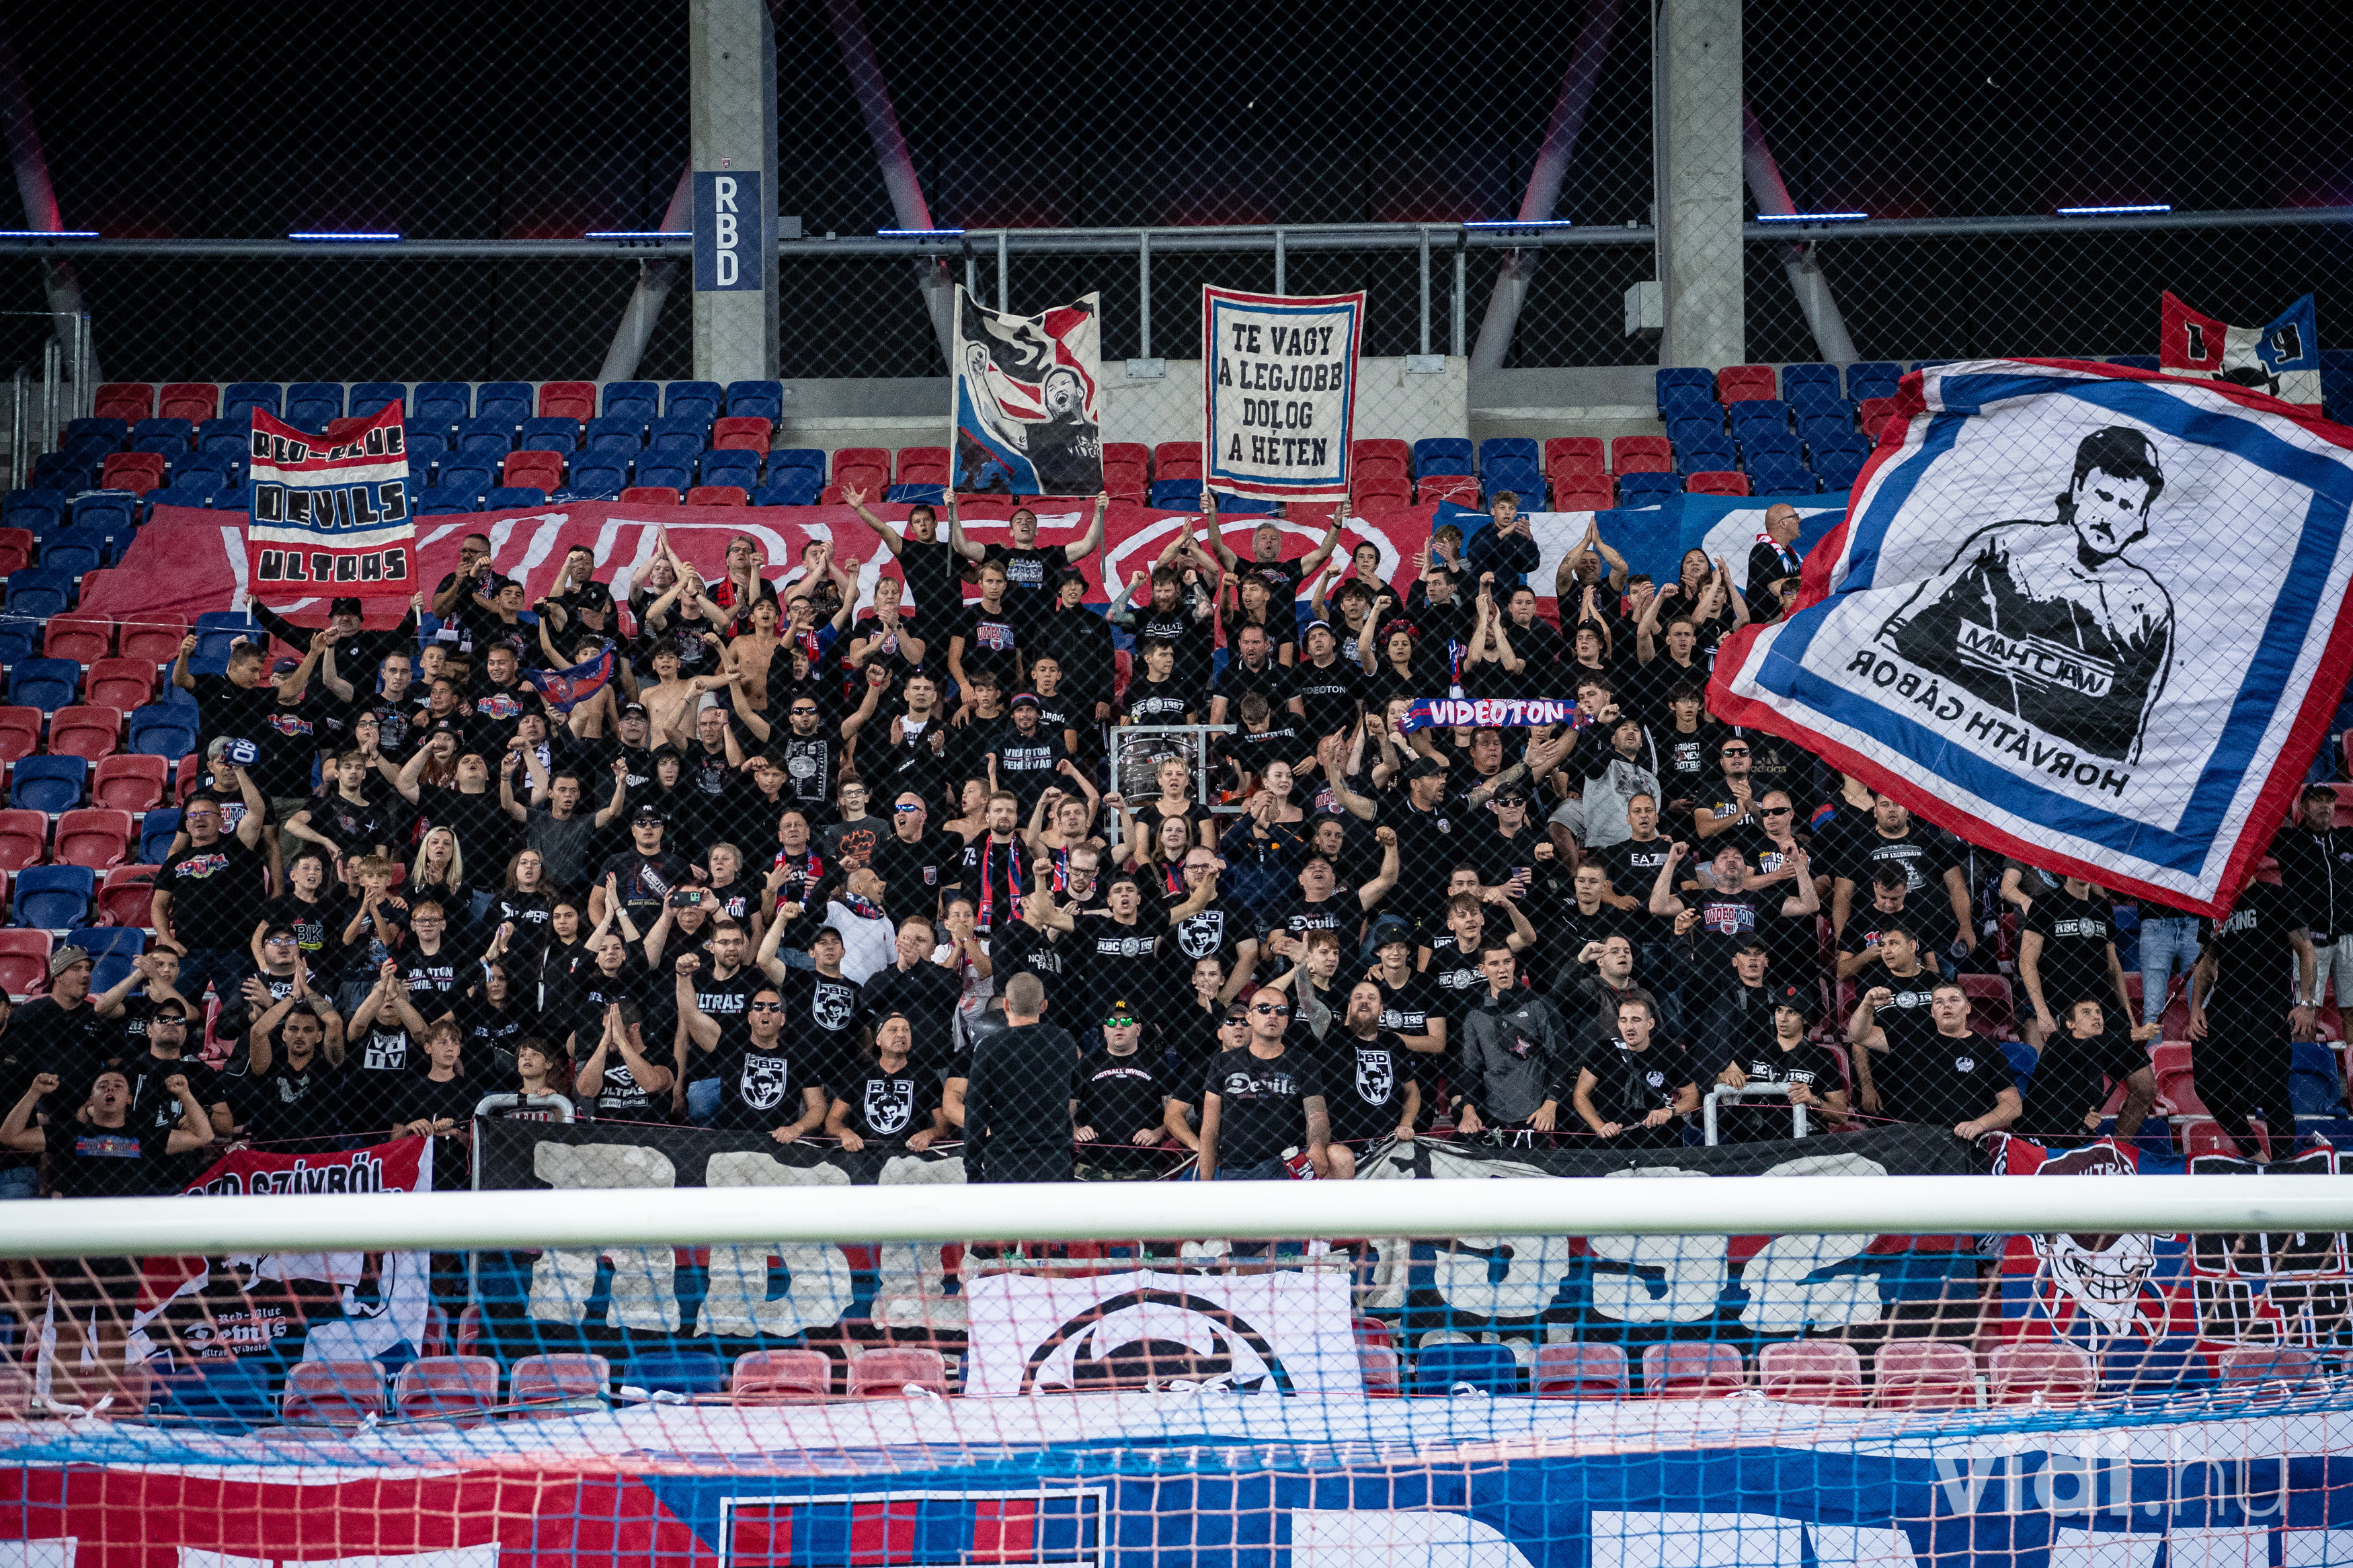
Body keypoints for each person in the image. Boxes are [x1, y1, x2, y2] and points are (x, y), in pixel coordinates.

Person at [2188, 877, 2317, 1157]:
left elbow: (2307, 951)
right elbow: (2207, 961)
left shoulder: (2276, 896)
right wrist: (2196, 1007)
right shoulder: (2216, 905)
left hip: (2269, 1005)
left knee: (2272, 1091)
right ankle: (2255, 1155)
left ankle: (2284, 1166)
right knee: (2207, 1082)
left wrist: (2307, 1003)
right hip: (2226, 1005)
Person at [151, 769, 272, 1017]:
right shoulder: (175, 861)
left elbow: (257, 812)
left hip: (236, 949)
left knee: (242, 1017)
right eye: (193, 815)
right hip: (188, 950)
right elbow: (159, 904)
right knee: (175, 1013)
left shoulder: (238, 846)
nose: (198, 819)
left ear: (222, 822)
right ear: (186, 825)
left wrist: (239, 771)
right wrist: (167, 939)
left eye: (206, 813)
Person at [1851, 978, 2018, 1139]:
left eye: (1954, 1000)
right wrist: (1866, 1006)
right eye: (1939, 1002)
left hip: (1965, 1141)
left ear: (1968, 1008)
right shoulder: (1913, 1039)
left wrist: (1979, 1124)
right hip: (1916, 1140)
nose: (1947, 1005)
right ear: (1932, 1012)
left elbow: (2013, 1104)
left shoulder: (1986, 1047)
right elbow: (1858, 1036)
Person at [1197, 985, 1331, 1180]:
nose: (1273, 1015)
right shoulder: (1223, 1062)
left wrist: (1317, 1146)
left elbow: (1317, 1116)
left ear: (1286, 1021)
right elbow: (1210, 1129)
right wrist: (1205, 1185)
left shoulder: (1304, 1062)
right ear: (1250, 1017)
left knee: (1339, 1156)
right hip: (1238, 1171)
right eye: (1264, 1008)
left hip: (1288, 1167)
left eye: (1281, 1010)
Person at [963, 972, 1079, 1182]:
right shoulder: (1064, 1042)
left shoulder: (989, 1048)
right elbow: (1076, 1093)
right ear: (1044, 1006)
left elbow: (975, 1112)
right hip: (1053, 1159)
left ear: (1006, 1005)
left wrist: (973, 1168)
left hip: (1006, 1160)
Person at [1455, 944, 1577, 1142]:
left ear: (1514, 964)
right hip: (1491, 1116)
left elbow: (1562, 1056)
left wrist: (1550, 1104)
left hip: (1535, 1115)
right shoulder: (1474, 1015)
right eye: (1494, 964)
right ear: (1482, 969)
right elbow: (1471, 1069)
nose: (1502, 969)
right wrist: (1469, 1110)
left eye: (1507, 962)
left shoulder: (1539, 1004)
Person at [2015, 997, 2161, 1146]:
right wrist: (2135, 1034)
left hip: (2066, 1145)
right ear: (2070, 1024)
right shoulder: (2058, 1041)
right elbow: (2089, 1046)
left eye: (2098, 1012)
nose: (2096, 1016)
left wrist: (2089, 1121)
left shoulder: (2096, 1062)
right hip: (2032, 1139)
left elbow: (2080, 1116)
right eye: (2086, 1012)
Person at [1714, 985, 1849, 1141]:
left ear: (1805, 1018)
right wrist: (1726, 1078)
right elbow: (1722, 1079)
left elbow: (1842, 1116)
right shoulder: (1755, 1046)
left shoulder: (1822, 1057)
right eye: (1779, 1010)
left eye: (1792, 1012)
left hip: (1801, 1144)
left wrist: (1814, 1101)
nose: (1783, 1018)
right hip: (1753, 1142)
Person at [2018, 876, 2132, 1046]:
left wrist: (2129, 1015)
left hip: (2105, 1009)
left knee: (2133, 1063)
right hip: (2065, 1012)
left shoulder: (2103, 907)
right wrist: (2042, 1012)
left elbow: (2114, 968)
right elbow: (2027, 962)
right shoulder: (2044, 904)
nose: (2083, 870)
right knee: (2078, 1062)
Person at [1322, 979, 1419, 1175]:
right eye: (1358, 997)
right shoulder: (1331, 1039)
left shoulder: (1394, 1043)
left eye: (1371, 998)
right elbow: (1310, 1004)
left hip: (1388, 1148)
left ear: (1381, 1009)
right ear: (1349, 1008)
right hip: (1343, 1151)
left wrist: (1406, 1123)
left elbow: (1412, 1091)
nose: (1365, 1001)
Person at [1072, 1001, 1176, 1178]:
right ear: (1105, 1030)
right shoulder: (1086, 1065)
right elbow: (1066, 1110)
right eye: (1112, 1022)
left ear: (1138, 1029)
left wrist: (1158, 1133)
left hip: (1144, 1167)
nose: (1119, 1026)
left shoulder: (1157, 1064)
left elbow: (1177, 1114)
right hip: (1092, 1166)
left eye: (1126, 1021)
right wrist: (1076, 1130)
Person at [1746, 503, 1806, 602]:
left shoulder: (1790, 553)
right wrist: (1809, 578)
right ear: (1783, 523)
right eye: (1796, 517)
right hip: (1769, 612)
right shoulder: (1763, 550)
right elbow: (1778, 589)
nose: (1800, 520)